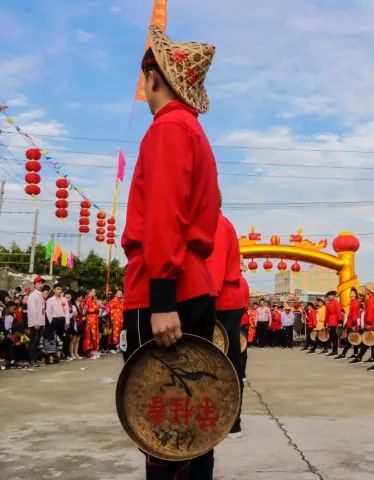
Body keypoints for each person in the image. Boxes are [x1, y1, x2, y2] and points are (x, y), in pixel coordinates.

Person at [120, 25, 219, 479]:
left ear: (152, 77)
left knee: (162, 421)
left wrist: (161, 300)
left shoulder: (169, 128)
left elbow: (163, 216)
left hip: (165, 290)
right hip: (189, 282)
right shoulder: (191, 130)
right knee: (193, 417)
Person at [206, 211, 245, 437]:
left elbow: (214, 269)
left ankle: (231, 418)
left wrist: (204, 304)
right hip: (222, 300)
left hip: (221, 302)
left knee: (227, 362)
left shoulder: (217, 223)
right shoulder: (216, 221)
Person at [45, 284, 69, 357]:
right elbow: (48, 312)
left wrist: (67, 321)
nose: (60, 291)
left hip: (62, 319)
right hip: (54, 320)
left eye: (61, 289)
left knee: (61, 337)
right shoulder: (50, 300)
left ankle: (60, 353)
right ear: (54, 290)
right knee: (54, 337)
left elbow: (67, 311)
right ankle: (53, 354)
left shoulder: (64, 299)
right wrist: (51, 321)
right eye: (58, 289)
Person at [27, 276, 46, 367]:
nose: (41, 285)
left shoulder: (40, 295)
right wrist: (35, 322)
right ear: (34, 285)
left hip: (41, 322)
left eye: (42, 283)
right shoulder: (33, 295)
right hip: (35, 323)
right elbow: (32, 310)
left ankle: (35, 359)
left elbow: (42, 310)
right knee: (33, 342)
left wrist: (42, 322)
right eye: (39, 283)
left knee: (37, 342)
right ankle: (31, 360)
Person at [82, 289, 100, 359]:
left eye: (95, 292)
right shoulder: (87, 299)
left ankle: (93, 349)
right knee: (89, 334)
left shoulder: (92, 300)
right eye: (94, 292)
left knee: (94, 334)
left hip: (94, 319)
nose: (95, 293)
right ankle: (88, 350)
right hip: (90, 319)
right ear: (89, 292)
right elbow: (85, 309)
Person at [325, 291, 342, 356]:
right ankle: (333, 350)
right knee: (332, 337)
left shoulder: (336, 303)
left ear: (334, 296)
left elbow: (339, 312)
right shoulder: (328, 304)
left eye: (331, 295)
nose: (329, 297)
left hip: (335, 321)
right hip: (330, 322)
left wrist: (340, 321)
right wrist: (325, 322)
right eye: (329, 295)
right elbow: (327, 314)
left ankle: (335, 351)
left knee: (335, 337)